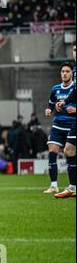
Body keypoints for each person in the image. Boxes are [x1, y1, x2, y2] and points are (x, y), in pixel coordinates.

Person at [43, 63, 75, 194]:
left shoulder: (75, 88)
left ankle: (72, 185)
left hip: (73, 124)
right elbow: (50, 104)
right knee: (52, 151)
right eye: (63, 71)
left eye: (67, 71)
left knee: (70, 153)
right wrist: (49, 110)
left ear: (72, 73)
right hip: (57, 125)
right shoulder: (55, 88)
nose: (65, 73)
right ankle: (54, 185)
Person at [54, 44, 76, 198]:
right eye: (74, 50)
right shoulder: (75, 70)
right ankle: (73, 187)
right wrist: (66, 102)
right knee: (69, 149)